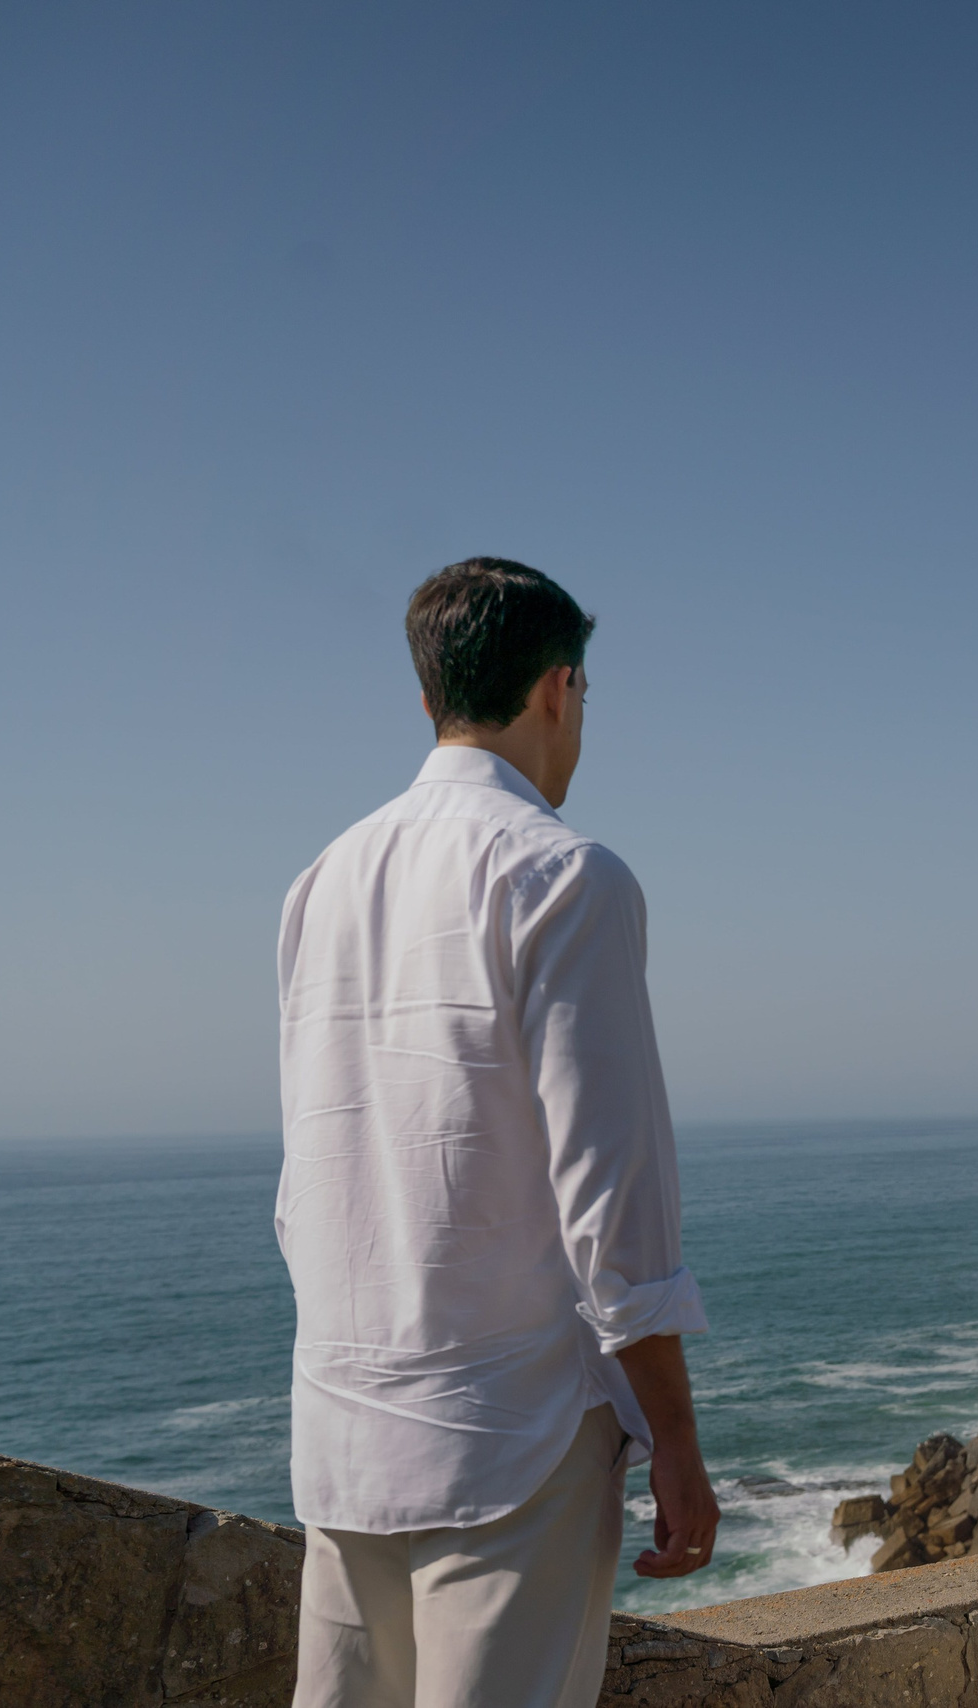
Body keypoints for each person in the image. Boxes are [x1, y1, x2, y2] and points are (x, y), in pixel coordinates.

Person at [276, 558, 718, 1708]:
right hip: (510, 1431)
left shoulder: (320, 881)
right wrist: (674, 1437)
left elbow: (309, 1170)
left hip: (342, 1427)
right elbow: (610, 1197)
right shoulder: (564, 875)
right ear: (559, 688)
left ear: (429, 697)